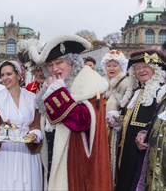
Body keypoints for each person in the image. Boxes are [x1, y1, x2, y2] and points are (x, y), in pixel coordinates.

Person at [27, 35, 112, 190]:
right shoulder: (53, 85)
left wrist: (58, 92)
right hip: (54, 156)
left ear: (73, 62)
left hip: (76, 162)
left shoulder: (88, 83)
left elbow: (82, 122)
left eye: (60, 62)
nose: (54, 69)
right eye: (50, 65)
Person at [0, 60, 43, 190]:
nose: (5, 78)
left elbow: (35, 125)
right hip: (4, 154)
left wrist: (33, 135)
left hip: (27, 153)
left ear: (19, 75)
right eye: (2, 75)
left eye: (8, 74)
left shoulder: (32, 98)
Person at [116, 48, 166, 191]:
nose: (141, 70)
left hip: (145, 150)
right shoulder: (135, 92)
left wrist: (147, 133)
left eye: (145, 67)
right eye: (137, 68)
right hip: (127, 148)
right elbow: (128, 118)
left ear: (155, 70)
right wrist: (119, 121)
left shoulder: (162, 92)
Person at [101, 49, 129, 188]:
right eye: (109, 65)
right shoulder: (101, 82)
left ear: (121, 66)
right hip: (99, 127)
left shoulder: (126, 83)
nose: (111, 68)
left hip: (115, 131)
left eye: (115, 65)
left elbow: (127, 108)